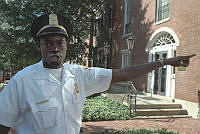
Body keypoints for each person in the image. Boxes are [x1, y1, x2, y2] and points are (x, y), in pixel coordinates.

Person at [0, 13, 195, 134]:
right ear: (39, 46)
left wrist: (165, 61)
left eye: (59, 42)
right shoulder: (21, 81)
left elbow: (123, 73)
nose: (54, 48)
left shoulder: (78, 75)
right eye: (48, 43)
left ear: (66, 46)